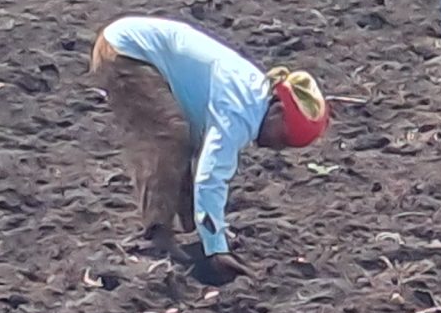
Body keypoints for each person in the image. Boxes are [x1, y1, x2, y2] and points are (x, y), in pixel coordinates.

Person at [89, 16, 331, 280]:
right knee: (168, 137)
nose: (276, 147)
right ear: (278, 111)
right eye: (283, 138)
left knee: (184, 142)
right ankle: (156, 236)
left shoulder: (253, 90)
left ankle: (190, 230)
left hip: (131, 45)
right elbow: (210, 177)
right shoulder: (240, 110)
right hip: (125, 54)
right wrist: (217, 250)